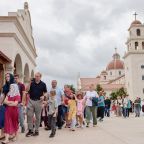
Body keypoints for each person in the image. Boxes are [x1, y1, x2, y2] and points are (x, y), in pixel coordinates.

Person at [26, 72, 47, 137]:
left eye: (38, 76)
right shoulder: (31, 83)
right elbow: (27, 90)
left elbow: (46, 93)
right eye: (35, 76)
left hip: (39, 102)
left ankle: (36, 130)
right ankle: (30, 130)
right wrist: (29, 82)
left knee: (38, 117)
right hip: (31, 101)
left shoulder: (43, 84)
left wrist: (44, 97)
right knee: (29, 115)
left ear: (40, 77)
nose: (36, 77)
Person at [0, 73, 14, 140]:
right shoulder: (4, 86)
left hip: (12, 104)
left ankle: (12, 134)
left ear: (11, 77)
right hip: (4, 104)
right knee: (2, 119)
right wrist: (0, 103)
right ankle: (3, 133)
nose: (7, 78)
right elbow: (2, 95)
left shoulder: (14, 85)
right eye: (6, 77)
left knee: (11, 120)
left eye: (8, 76)